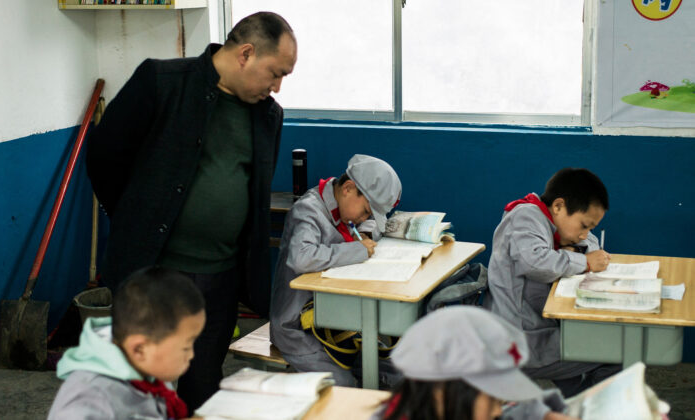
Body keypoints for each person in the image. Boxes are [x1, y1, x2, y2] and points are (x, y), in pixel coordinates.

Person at [86, 11, 297, 411]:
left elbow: (252, 190)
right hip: (154, 273)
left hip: (220, 278)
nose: (278, 87)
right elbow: (103, 156)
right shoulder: (162, 83)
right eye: (275, 73)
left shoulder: (268, 116)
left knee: (203, 387)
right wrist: (136, 221)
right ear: (246, 54)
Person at [270, 154, 403, 387]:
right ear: (348, 188)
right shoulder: (308, 211)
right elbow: (302, 257)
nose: (365, 218)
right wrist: (357, 250)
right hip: (298, 328)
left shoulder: (342, 205)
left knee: (396, 371)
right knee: (345, 387)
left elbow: (360, 224)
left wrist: (367, 231)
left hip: (336, 322)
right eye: (366, 212)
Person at [486, 167, 620, 398]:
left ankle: (579, 408)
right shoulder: (525, 215)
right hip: (518, 340)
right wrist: (585, 262)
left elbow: (592, 244)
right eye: (584, 225)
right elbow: (535, 262)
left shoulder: (551, 223)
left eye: (590, 228)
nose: (584, 234)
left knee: (580, 374)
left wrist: (577, 250)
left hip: (539, 329)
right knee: (615, 355)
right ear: (558, 206)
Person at [48, 267, 205, 420]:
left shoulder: (149, 369)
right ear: (139, 349)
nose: (191, 355)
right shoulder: (90, 399)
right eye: (185, 347)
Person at [373, 306, 577, 420]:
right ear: (442, 391)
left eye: (500, 400)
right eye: (492, 399)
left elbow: (509, 412)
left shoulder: (442, 408)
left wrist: (544, 415)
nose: (497, 411)